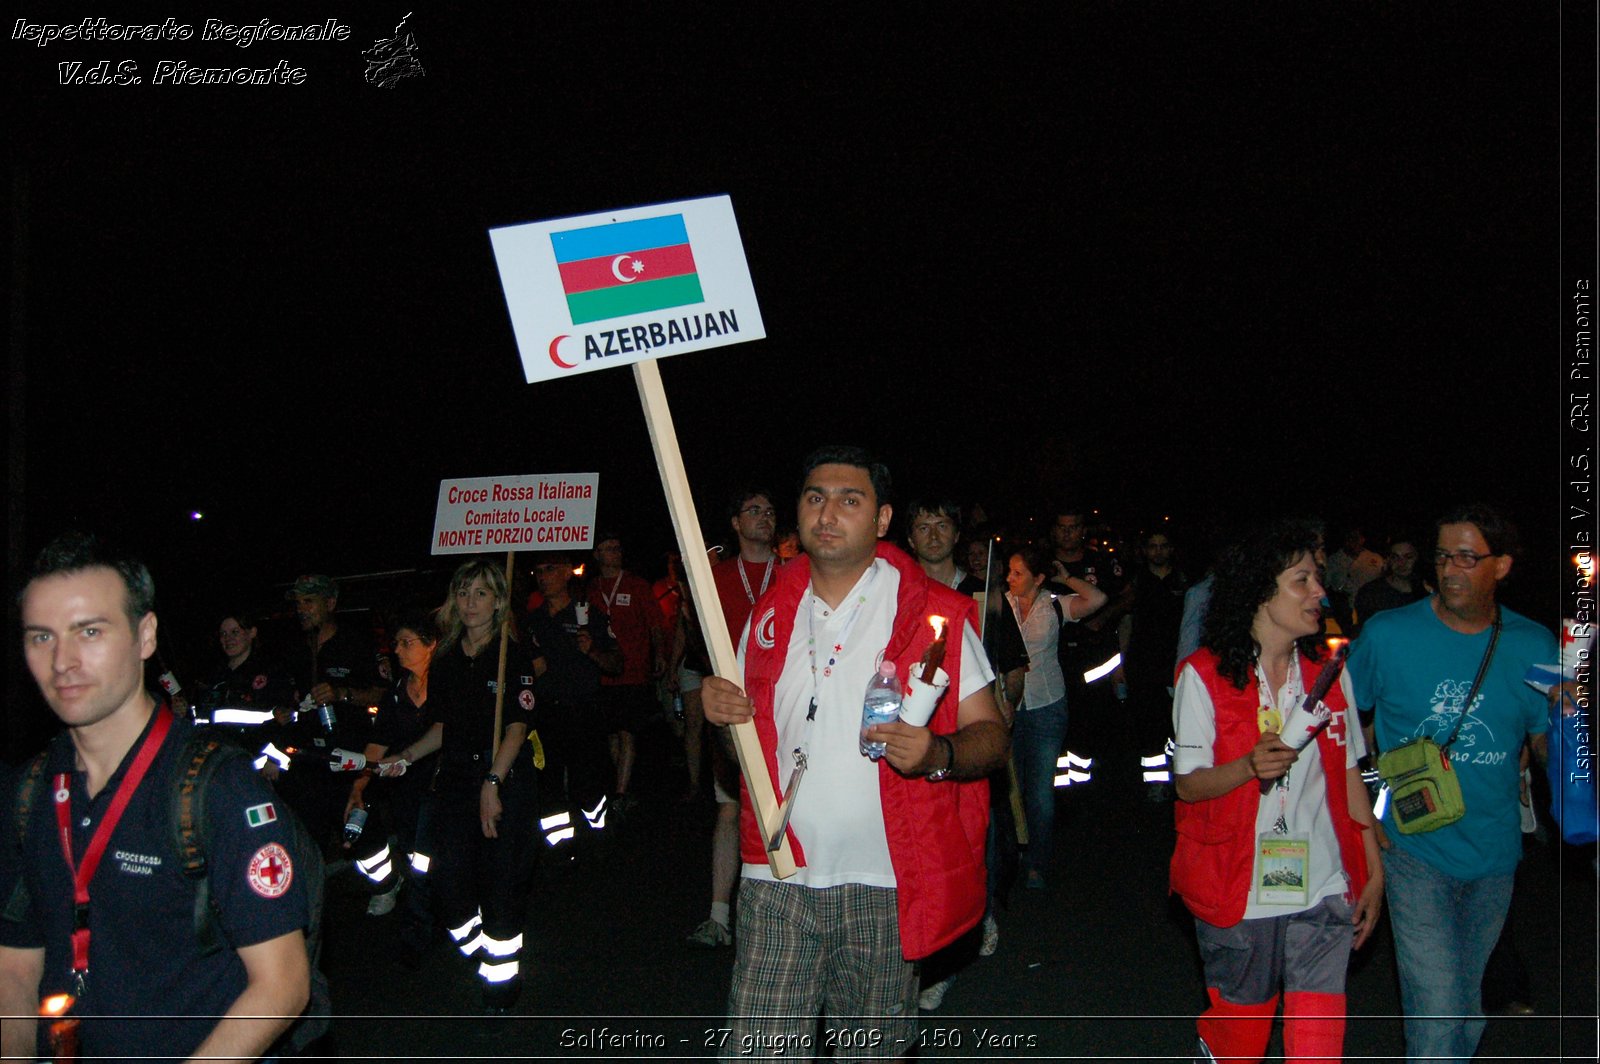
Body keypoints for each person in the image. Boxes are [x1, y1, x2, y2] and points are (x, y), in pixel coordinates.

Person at [702, 445, 1009, 1056]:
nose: (828, 513)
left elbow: (993, 737)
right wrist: (719, 718)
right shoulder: (765, 618)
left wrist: (936, 753)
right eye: (815, 498)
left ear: (883, 519)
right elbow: (741, 749)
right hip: (777, 875)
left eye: (850, 500)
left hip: (887, 883)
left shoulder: (935, 615)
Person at [1, 532, 311, 1061]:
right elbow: (14, 964)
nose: (62, 661)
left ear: (145, 636)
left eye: (89, 632)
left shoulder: (215, 788)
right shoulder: (27, 791)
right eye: (41, 637)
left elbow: (282, 986)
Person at [1170, 518, 1382, 1064]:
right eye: (1302, 581)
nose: (1319, 592)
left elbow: (1351, 773)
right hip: (1240, 892)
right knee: (1239, 1043)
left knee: (1318, 1049)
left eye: (1318, 580)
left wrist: (1373, 872)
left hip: (1323, 885)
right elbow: (1189, 786)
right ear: (1260, 592)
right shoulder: (1205, 675)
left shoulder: (1329, 674)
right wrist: (1247, 766)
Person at [1350, 503, 1556, 1063]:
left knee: (1465, 1005)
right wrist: (1366, 804)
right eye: (1443, 556)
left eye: (1468, 557)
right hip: (1414, 845)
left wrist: (1573, 732)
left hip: (1494, 851)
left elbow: (1542, 742)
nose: (1450, 570)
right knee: (1439, 1004)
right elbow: (1343, 725)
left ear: (1503, 565)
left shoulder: (1534, 645)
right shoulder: (1388, 635)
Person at [382, 559, 540, 1010]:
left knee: (503, 885)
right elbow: (443, 727)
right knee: (448, 885)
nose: (471, 603)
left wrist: (493, 782)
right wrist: (406, 756)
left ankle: (500, 986)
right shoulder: (447, 657)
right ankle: (479, 951)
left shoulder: (512, 652)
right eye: (464, 592)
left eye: (482, 594)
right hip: (456, 779)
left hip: (504, 778)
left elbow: (517, 724)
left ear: (498, 602)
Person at [687, 489, 783, 948]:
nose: (763, 518)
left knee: (782, 808)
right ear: (735, 523)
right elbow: (700, 638)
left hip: (782, 709)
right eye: (753, 511)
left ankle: (780, 912)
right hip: (730, 707)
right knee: (730, 807)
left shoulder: (792, 575)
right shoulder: (717, 577)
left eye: (769, 512)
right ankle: (719, 915)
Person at [1005, 542, 1106, 889]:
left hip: (1047, 704)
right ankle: (1013, 852)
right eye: (1009, 571)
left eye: (1019, 573)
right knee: (1011, 786)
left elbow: (1098, 600)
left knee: (1041, 791)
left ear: (1038, 578)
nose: (1010, 578)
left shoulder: (1053, 605)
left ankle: (1038, 862)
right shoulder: (1000, 603)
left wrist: (1068, 577)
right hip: (1009, 707)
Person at [344, 609, 440, 947]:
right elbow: (377, 743)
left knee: (443, 857)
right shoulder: (396, 693)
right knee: (418, 856)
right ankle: (425, 916)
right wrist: (359, 785)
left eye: (405, 643)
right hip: (408, 791)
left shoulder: (450, 684)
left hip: (446, 786)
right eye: (395, 644)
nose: (396, 650)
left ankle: (423, 924)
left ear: (431, 645)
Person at [280, 574, 389, 851]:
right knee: (304, 840)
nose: (301, 609)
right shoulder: (293, 649)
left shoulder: (356, 644)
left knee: (360, 836)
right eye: (298, 603)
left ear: (330, 603)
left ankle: (385, 888)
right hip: (308, 761)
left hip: (348, 758)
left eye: (309, 601)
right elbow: (286, 698)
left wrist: (343, 694)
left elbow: (384, 694)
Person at [587, 533, 669, 812]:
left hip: (634, 670)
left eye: (617, 548)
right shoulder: (591, 589)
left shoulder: (637, 585)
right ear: (596, 555)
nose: (615, 552)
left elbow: (655, 624)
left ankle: (620, 793)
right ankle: (624, 783)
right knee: (611, 733)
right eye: (608, 549)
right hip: (603, 671)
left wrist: (659, 654)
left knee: (627, 731)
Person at [1122, 530, 1190, 799]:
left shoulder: (1184, 581)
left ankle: (1179, 774)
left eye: (1163, 546)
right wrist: (1123, 663)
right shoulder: (1136, 582)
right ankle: (1156, 783)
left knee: (1177, 724)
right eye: (1153, 546)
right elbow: (1125, 621)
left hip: (1177, 664)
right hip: (1143, 665)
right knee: (1148, 726)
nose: (1158, 551)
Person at [1352, 538, 1427, 629]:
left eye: (1408, 557)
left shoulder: (1426, 594)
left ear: (1417, 558)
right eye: (1395, 557)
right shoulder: (1371, 592)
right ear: (1388, 560)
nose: (1401, 563)